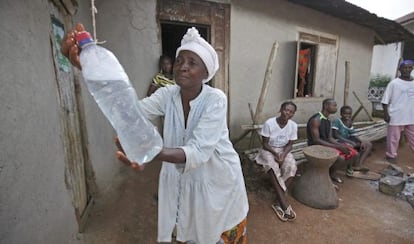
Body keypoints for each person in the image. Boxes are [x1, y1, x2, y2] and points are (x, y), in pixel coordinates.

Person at [62, 24, 249, 244]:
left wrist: (147, 150)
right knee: (187, 229)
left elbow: (199, 152)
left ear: (206, 73)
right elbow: (130, 114)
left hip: (219, 181)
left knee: (217, 229)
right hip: (185, 181)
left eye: (192, 62)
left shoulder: (216, 99)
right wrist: (90, 67)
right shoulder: (168, 95)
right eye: (179, 60)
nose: (182, 67)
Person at [255, 101, 298, 222]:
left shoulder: (293, 125)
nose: (287, 113)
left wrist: (283, 155)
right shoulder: (269, 123)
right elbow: (264, 144)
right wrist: (276, 154)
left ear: (293, 114)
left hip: (283, 150)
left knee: (291, 166)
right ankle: (283, 204)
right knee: (272, 167)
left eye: (290, 111)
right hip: (268, 150)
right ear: (280, 109)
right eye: (285, 110)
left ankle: (278, 201)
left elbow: (290, 145)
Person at [306, 98, 359, 184]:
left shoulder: (328, 120)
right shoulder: (316, 120)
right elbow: (316, 140)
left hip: (326, 145)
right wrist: (338, 147)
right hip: (315, 147)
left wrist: (342, 146)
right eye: (334, 105)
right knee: (340, 159)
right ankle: (329, 175)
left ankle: (332, 173)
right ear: (326, 106)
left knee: (353, 153)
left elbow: (330, 138)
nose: (336, 107)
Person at [381, 59, 414, 164]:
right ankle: (391, 155)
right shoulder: (394, 83)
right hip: (396, 115)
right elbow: (385, 100)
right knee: (393, 138)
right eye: (405, 67)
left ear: (412, 69)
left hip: (411, 116)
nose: (407, 69)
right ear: (400, 69)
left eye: (409, 67)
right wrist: (386, 114)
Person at [332, 105, 372, 171]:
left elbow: (353, 134)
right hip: (338, 141)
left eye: (349, 114)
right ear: (341, 114)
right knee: (351, 146)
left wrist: (361, 141)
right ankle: (352, 165)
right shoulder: (337, 121)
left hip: (348, 139)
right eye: (345, 113)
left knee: (368, 144)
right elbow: (336, 135)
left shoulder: (349, 122)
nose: (347, 115)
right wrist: (350, 142)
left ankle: (359, 164)